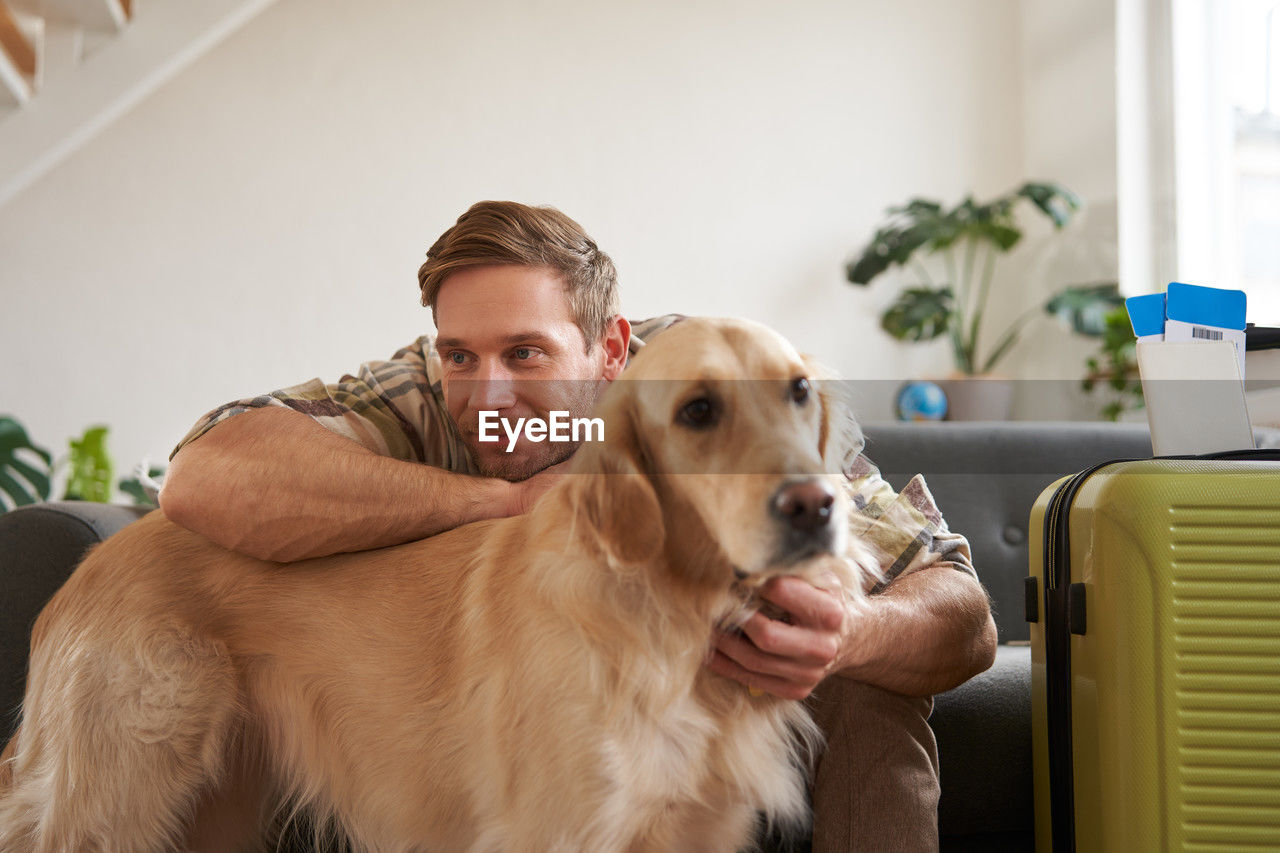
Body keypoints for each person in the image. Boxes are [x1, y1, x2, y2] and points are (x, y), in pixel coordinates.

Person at [160, 200, 998, 852]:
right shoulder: (431, 387)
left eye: (527, 354)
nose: (487, 394)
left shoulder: (753, 382)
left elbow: (963, 613)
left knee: (867, 670)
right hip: (497, 713)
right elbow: (204, 474)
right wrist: (512, 501)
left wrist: (848, 633)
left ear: (610, 352)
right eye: (460, 354)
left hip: (734, 689)